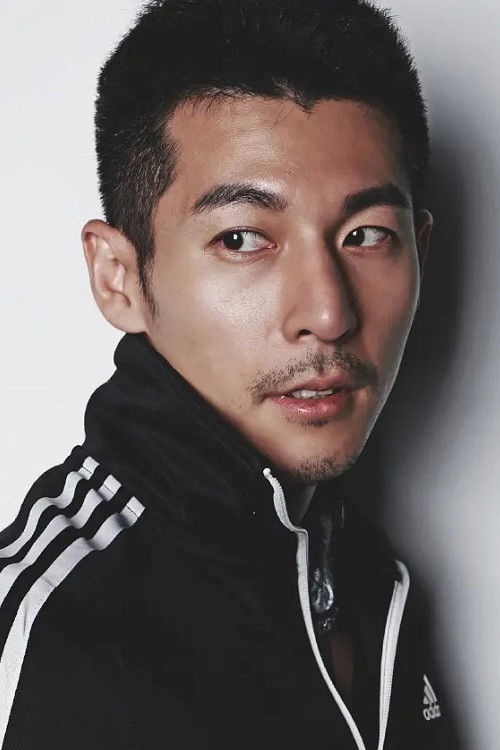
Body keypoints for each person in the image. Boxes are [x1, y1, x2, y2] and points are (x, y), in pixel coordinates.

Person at [0, 0, 459, 747]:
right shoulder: (47, 645)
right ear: (119, 277)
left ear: (421, 254)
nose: (327, 312)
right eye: (242, 239)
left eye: (367, 235)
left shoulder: (369, 578)